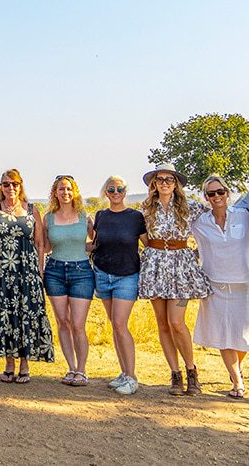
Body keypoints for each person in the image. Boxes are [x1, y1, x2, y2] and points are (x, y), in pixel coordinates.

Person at [137, 163, 211, 396]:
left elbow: (217, 213)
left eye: (169, 179)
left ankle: (192, 371)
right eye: (160, 179)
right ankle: (175, 375)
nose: (165, 183)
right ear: (154, 184)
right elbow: (143, 236)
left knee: (177, 323)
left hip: (180, 266)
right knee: (163, 324)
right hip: (155, 266)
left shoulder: (191, 207)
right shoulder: (146, 207)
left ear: (176, 183)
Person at [0, 169, 54, 383]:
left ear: (20, 185)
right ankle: (8, 363)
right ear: (1, 187)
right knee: (4, 312)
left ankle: (24, 363)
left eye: (14, 184)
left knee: (26, 313)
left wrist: (39, 271)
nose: (10, 188)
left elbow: (40, 243)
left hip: (26, 269)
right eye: (6, 184)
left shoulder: (32, 210)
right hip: (1, 271)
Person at [190, 176, 249, 398]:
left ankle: (238, 370)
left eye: (220, 192)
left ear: (227, 193)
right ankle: (237, 381)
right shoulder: (200, 222)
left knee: (243, 337)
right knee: (225, 336)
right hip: (215, 287)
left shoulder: (243, 216)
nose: (217, 197)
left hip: (244, 285)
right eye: (211, 194)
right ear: (206, 197)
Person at [89, 175, 147, 395]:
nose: (115, 192)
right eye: (111, 189)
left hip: (127, 276)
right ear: (106, 192)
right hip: (103, 274)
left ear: (125, 191)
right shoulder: (101, 216)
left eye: (119, 189)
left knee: (121, 325)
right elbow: (96, 243)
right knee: (115, 325)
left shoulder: (135, 217)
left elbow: (147, 244)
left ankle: (132, 377)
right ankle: (123, 373)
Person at [42, 175, 94, 387]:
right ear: (55, 192)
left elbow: (95, 242)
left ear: (75, 192)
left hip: (81, 271)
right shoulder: (49, 219)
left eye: (69, 189)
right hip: (54, 271)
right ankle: (71, 367)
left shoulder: (84, 216)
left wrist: (81, 248)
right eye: (61, 189)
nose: (65, 193)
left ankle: (82, 370)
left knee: (78, 324)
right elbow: (45, 247)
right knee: (63, 322)